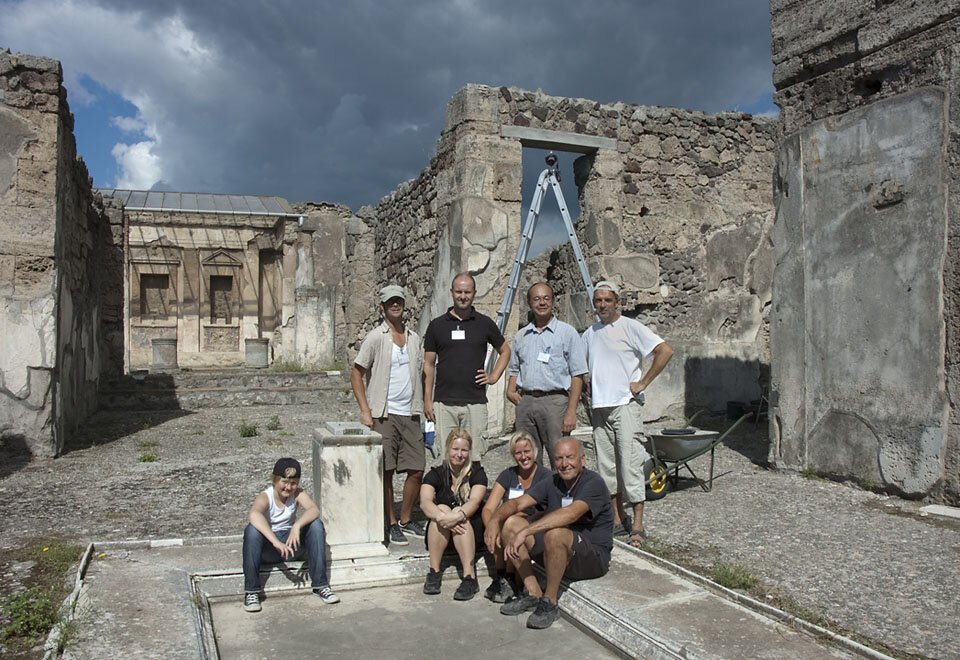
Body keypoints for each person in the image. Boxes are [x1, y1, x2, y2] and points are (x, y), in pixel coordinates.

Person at [581, 280, 674, 549]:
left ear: (617, 302)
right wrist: (589, 383)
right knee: (607, 466)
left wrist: (643, 382)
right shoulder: (590, 333)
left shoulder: (630, 327)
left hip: (625, 405)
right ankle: (616, 518)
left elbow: (664, 350)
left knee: (630, 464)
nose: (602, 305)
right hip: (600, 408)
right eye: (598, 301)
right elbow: (588, 364)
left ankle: (638, 523)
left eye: (607, 300)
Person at [484, 438, 613, 630]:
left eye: (570, 457)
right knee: (511, 524)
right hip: (555, 552)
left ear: (583, 460)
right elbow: (518, 503)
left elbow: (571, 514)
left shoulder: (593, 483)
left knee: (555, 533)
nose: (564, 463)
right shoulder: (553, 481)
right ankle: (533, 592)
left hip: (590, 558)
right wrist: (495, 520)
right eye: (559, 458)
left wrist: (527, 530)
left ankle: (550, 602)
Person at [351, 284, 426, 546]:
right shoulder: (375, 337)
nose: (396, 305)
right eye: (391, 301)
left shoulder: (414, 338)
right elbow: (357, 373)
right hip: (383, 412)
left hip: (410, 412)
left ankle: (405, 518)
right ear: (382, 307)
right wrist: (365, 409)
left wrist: (426, 403)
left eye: (400, 301)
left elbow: (423, 372)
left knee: (417, 468)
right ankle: (391, 522)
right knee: (387, 470)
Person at [423, 272, 510, 466]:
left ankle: (471, 495)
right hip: (444, 403)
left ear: (474, 293)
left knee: (474, 455)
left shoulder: (485, 324)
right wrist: (427, 399)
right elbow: (428, 364)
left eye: (467, 292)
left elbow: (505, 351)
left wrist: (494, 376)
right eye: (459, 292)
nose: (463, 296)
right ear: (452, 292)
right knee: (446, 457)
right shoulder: (436, 326)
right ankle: (448, 495)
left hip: (475, 402)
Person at [506, 282, 587, 465]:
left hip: (555, 403)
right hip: (526, 402)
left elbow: (578, 374)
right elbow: (514, 368)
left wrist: (571, 411)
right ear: (529, 302)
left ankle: (563, 493)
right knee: (527, 457)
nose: (542, 303)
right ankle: (535, 493)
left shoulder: (567, 333)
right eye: (536, 299)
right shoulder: (521, 336)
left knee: (560, 455)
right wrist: (510, 390)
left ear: (553, 301)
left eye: (546, 298)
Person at [242, 457, 339, 612]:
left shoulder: (297, 493)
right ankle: (251, 591)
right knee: (251, 531)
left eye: (293, 483)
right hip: (271, 549)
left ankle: (321, 585)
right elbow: (254, 514)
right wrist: (275, 541)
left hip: (291, 545)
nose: (288, 487)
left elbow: (314, 510)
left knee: (315, 524)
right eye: (284, 482)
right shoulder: (265, 496)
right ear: (274, 480)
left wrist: (297, 525)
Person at [480, 430, 551, 602]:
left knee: (508, 524)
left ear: (534, 451)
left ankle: (509, 576)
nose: (523, 456)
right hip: (507, 525)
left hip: (530, 527)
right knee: (498, 526)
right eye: (518, 453)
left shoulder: (545, 476)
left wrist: (502, 520)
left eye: (527, 451)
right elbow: (489, 508)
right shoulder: (508, 475)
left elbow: (543, 511)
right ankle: (503, 576)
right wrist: (491, 526)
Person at [420, 428, 488, 600]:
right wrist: (443, 517)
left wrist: (457, 516)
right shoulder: (436, 473)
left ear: (469, 451)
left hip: (470, 531)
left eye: (464, 450)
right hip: (442, 532)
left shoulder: (477, 473)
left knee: (459, 510)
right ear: (448, 449)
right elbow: (425, 502)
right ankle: (434, 571)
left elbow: (474, 501)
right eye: (455, 449)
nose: (459, 454)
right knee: (440, 508)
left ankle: (469, 576)